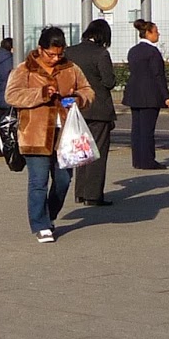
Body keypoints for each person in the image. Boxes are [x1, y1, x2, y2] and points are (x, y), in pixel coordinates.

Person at [5, 26, 94, 243]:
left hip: (65, 135)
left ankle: (49, 215)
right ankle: (40, 224)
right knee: (38, 181)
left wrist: (79, 99)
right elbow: (11, 95)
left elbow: (87, 90)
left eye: (59, 54)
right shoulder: (24, 69)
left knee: (64, 180)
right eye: (50, 54)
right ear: (40, 48)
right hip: (34, 134)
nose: (55, 58)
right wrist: (41, 94)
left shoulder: (71, 68)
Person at [66, 20, 117, 205]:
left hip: (77, 108)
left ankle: (80, 192)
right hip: (99, 109)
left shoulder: (69, 52)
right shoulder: (101, 53)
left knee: (81, 150)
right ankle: (93, 195)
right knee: (97, 152)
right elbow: (109, 81)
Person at [122, 19, 169, 170]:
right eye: (156, 31)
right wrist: (166, 96)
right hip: (150, 95)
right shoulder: (153, 52)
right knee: (148, 130)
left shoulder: (133, 50)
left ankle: (137, 160)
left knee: (136, 129)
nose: (158, 34)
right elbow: (158, 75)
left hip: (134, 93)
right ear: (148, 33)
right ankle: (148, 160)